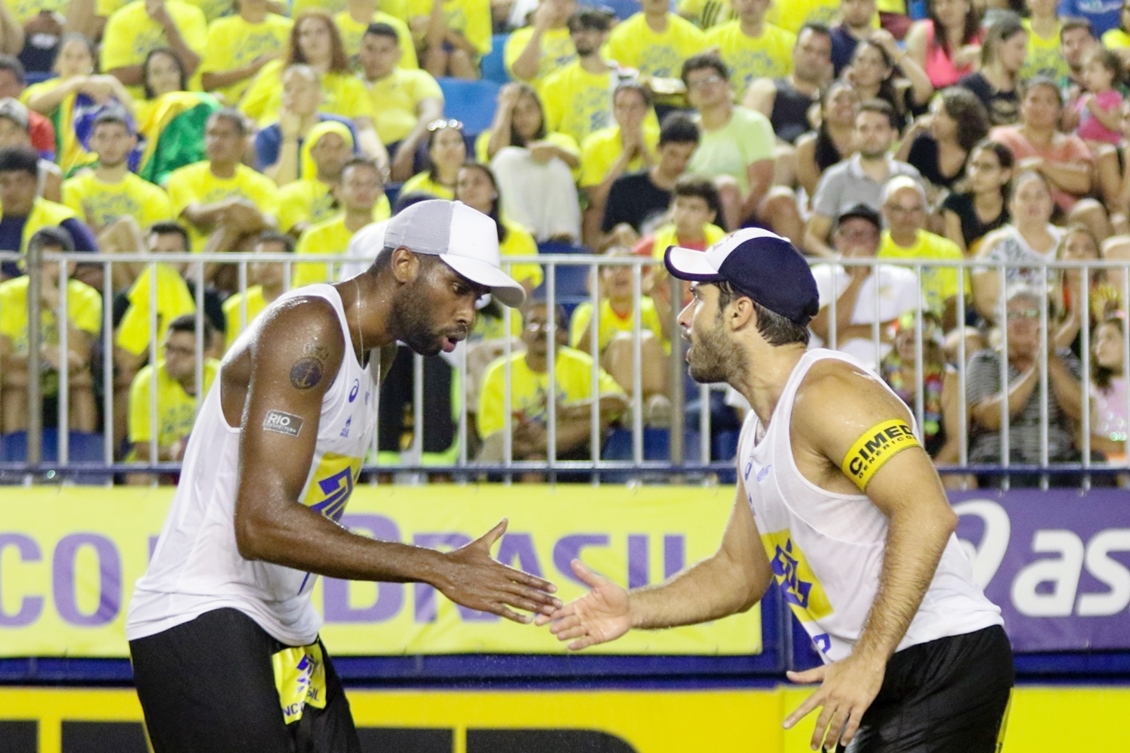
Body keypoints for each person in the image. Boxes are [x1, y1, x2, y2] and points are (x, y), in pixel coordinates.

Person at [540, 227, 1012, 752]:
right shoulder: (759, 429)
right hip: (891, 669)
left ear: (740, 312)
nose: (682, 316)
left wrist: (868, 658)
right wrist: (634, 608)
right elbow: (738, 574)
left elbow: (927, 515)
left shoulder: (828, 394)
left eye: (698, 298)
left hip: (937, 659)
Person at [126, 198, 561, 748]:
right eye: (458, 288)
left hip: (282, 621)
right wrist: (438, 568)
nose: (469, 313)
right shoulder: (308, 328)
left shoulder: (381, 353)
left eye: (477, 298)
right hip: (201, 609)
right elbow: (260, 523)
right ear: (404, 265)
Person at [476, 298, 627, 474]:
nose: (540, 330)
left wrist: (568, 411)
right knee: (531, 460)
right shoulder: (499, 372)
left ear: (563, 334)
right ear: (521, 333)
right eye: (533, 324)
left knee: (599, 420)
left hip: (570, 449)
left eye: (549, 324)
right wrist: (522, 432)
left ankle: (543, 443)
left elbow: (619, 402)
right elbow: (492, 432)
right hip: (517, 451)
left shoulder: (581, 364)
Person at [966, 284, 1086, 487]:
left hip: (1058, 461)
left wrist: (1051, 362)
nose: (1021, 321)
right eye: (1012, 314)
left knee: (1096, 466)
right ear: (1000, 323)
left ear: (1046, 322)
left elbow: (1081, 410)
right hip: (1000, 462)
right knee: (1017, 475)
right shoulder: (985, 361)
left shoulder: (1064, 359)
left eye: (1031, 313)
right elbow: (990, 418)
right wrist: (1035, 372)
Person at [682, 53, 801, 244]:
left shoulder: (752, 123)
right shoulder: (685, 129)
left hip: (750, 207)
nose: (704, 87)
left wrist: (739, 213)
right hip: (695, 210)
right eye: (695, 83)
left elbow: (760, 183)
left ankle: (796, 269)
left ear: (727, 84)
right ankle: (722, 261)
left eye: (711, 79)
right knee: (724, 188)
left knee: (782, 199)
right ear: (688, 95)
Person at [0, 227, 100, 434]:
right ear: (25, 265)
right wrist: (42, 353)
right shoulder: (6, 295)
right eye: (37, 262)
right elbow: (4, 359)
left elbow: (80, 357)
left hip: (67, 376)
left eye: (52, 262)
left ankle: (81, 460)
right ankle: (14, 459)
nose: (43, 270)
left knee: (80, 380)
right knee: (15, 381)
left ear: (70, 266)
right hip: (22, 374)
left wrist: (56, 305)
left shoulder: (86, 297)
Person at [62, 110, 175, 291]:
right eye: (102, 137)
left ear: (132, 142)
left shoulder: (152, 194)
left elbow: (156, 243)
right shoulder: (72, 188)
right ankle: (159, 295)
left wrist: (97, 226)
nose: (110, 144)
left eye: (117, 137)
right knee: (125, 226)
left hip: (118, 261)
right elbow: (81, 237)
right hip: (90, 259)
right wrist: (125, 234)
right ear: (91, 143)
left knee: (115, 253)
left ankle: (132, 310)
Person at [804, 98, 922, 259]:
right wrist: (841, 262)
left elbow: (924, 231)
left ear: (894, 134)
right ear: (854, 134)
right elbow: (812, 237)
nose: (871, 136)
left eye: (879, 128)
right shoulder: (836, 178)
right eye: (863, 129)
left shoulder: (910, 176)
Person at [808, 204, 921, 370]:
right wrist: (857, 280)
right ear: (836, 239)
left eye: (866, 233)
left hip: (890, 375)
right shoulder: (818, 276)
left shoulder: (903, 277)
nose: (858, 238)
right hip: (832, 373)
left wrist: (851, 332)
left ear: (878, 240)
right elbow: (823, 329)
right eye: (850, 233)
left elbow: (911, 328)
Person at [126, 313, 220, 485]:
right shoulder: (147, 381)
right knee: (139, 473)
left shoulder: (222, 378)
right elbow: (143, 448)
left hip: (212, 461)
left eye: (184, 352)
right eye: (169, 348)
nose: (172, 358)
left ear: (207, 354)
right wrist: (173, 453)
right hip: (163, 466)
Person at [480, 83, 581, 242]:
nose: (523, 118)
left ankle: (562, 230)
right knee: (506, 157)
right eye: (516, 112)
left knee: (557, 164)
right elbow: (496, 153)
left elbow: (577, 162)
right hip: (515, 235)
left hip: (552, 226)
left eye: (529, 110)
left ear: (540, 112)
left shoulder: (558, 140)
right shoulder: (489, 139)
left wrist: (555, 151)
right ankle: (523, 229)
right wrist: (505, 106)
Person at [24, 33, 136, 174]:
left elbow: (135, 118)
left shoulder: (105, 85)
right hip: (66, 167)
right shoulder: (45, 88)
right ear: (57, 62)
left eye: (81, 57)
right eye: (67, 56)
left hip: (104, 159)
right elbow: (34, 104)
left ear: (92, 62)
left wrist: (114, 85)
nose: (73, 63)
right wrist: (76, 84)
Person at [357, 22, 443, 183]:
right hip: (364, 152)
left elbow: (432, 113)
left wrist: (406, 148)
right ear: (360, 50)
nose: (376, 57)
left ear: (398, 54)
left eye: (384, 50)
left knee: (435, 146)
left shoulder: (417, 78)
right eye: (370, 49)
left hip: (412, 148)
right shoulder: (350, 85)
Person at [600, 113, 699, 251]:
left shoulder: (700, 192)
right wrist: (618, 235)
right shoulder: (625, 187)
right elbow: (599, 245)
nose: (680, 163)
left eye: (687, 156)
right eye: (673, 154)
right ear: (659, 149)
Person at [0, 145, 97, 282]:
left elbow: (96, 272)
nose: (12, 191)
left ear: (36, 183)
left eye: (21, 182)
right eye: (4, 183)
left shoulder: (63, 221)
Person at [579, 82, 659, 248]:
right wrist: (626, 152)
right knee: (592, 215)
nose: (627, 114)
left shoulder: (660, 141)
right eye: (621, 107)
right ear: (614, 111)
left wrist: (642, 147)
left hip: (651, 207)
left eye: (634, 107)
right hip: (613, 210)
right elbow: (597, 199)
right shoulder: (595, 144)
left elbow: (663, 186)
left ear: (645, 111)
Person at [540, 7, 631, 150]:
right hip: (574, 161)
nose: (581, 36)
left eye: (589, 30)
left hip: (618, 157)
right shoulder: (555, 82)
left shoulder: (626, 78)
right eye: (575, 31)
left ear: (604, 35)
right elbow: (545, 132)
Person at [292, 156, 390, 287]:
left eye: (371, 184)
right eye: (355, 184)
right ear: (337, 190)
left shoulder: (391, 236)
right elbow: (305, 289)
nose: (363, 190)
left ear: (381, 191)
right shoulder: (315, 237)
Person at [254, 65, 361, 184]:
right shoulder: (267, 135)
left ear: (319, 96)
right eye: (287, 89)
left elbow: (354, 178)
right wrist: (290, 137)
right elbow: (282, 186)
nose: (293, 94)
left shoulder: (341, 128)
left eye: (301, 89)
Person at [100, 0, 207, 100]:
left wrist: (168, 25)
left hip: (188, 105)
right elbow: (118, 74)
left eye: (171, 69)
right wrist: (168, 69)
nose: (165, 78)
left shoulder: (191, 14)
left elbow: (190, 65)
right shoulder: (120, 19)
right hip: (139, 109)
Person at [895, 86, 990, 194]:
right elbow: (895, 172)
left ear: (959, 120)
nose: (932, 120)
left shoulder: (978, 150)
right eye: (932, 114)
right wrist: (911, 134)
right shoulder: (923, 144)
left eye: (939, 114)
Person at [198, 0, 293, 106]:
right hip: (233, 106)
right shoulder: (219, 29)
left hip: (278, 103)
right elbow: (207, 81)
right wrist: (253, 69)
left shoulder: (288, 28)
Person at [704, 0, 798, 94]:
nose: (749, 3)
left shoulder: (788, 42)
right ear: (732, 3)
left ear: (769, 3)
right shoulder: (713, 39)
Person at [941, 138, 1013, 255]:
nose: (976, 173)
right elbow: (958, 255)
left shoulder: (1013, 207)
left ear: (1005, 174)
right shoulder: (955, 203)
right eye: (974, 165)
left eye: (986, 167)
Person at [794, 79, 859, 201]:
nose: (846, 104)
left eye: (852, 100)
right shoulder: (808, 145)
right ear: (823, 111)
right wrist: (847, 160)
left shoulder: (869, 143)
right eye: (838, 100)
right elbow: (815, 194)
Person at [957, 14, 1026, 126]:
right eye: (1018, 47)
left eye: (1025, 48)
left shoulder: (1023, 88)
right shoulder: (970, 86)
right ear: (998, 44)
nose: (1023, 54)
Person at [904, 0, 983, 90]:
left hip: (974, 99)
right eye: (938, 4)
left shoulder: (984, 36)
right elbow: (917, 88)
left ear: (967, 3)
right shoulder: (922, 33)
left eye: (950, 2)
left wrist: (979, 55)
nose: (943, 8)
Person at [504, 0, 577, 84]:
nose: (559, 5)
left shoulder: (585, 34)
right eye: (553, 2)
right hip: (537, 94)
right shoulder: (520, 37)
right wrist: (539, 29)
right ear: (541, 4)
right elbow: (523, 74)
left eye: (565, 1)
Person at [1090, 313, 1129, 463]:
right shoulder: (1091, 388)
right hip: (1106, 467)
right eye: (1098, 339)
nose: (1100, 345)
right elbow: (1084, 439)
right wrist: (1122, 446)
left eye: (1110, 338)